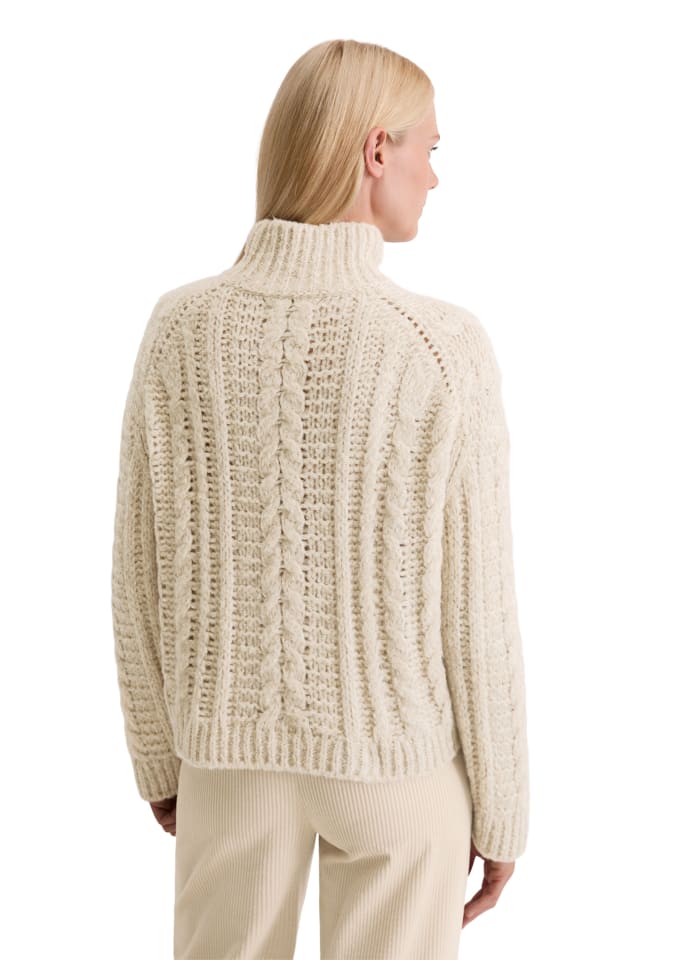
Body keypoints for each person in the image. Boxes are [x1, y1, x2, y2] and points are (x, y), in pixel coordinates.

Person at [111, 38, 530, 960]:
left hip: (227, 762)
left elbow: (137, 570)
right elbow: (477, 610)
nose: (434, 176)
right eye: (429, 149)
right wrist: (503, 809)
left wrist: (159, 756)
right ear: (377, 151)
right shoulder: (441, 344)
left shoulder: (181, 328)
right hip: (396, 766)